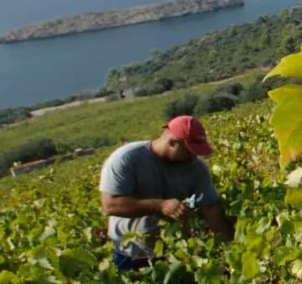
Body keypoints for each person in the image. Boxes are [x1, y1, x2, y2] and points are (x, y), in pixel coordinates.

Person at [99, 115, 232, 270]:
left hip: (176, 253)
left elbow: (211, 209)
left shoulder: (197, 169)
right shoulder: (127, 158)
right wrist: (160, 205)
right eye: (189, 151)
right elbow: (110, 205)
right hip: (130, 253)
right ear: (172, 143)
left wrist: (231, 251)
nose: (193, 156)